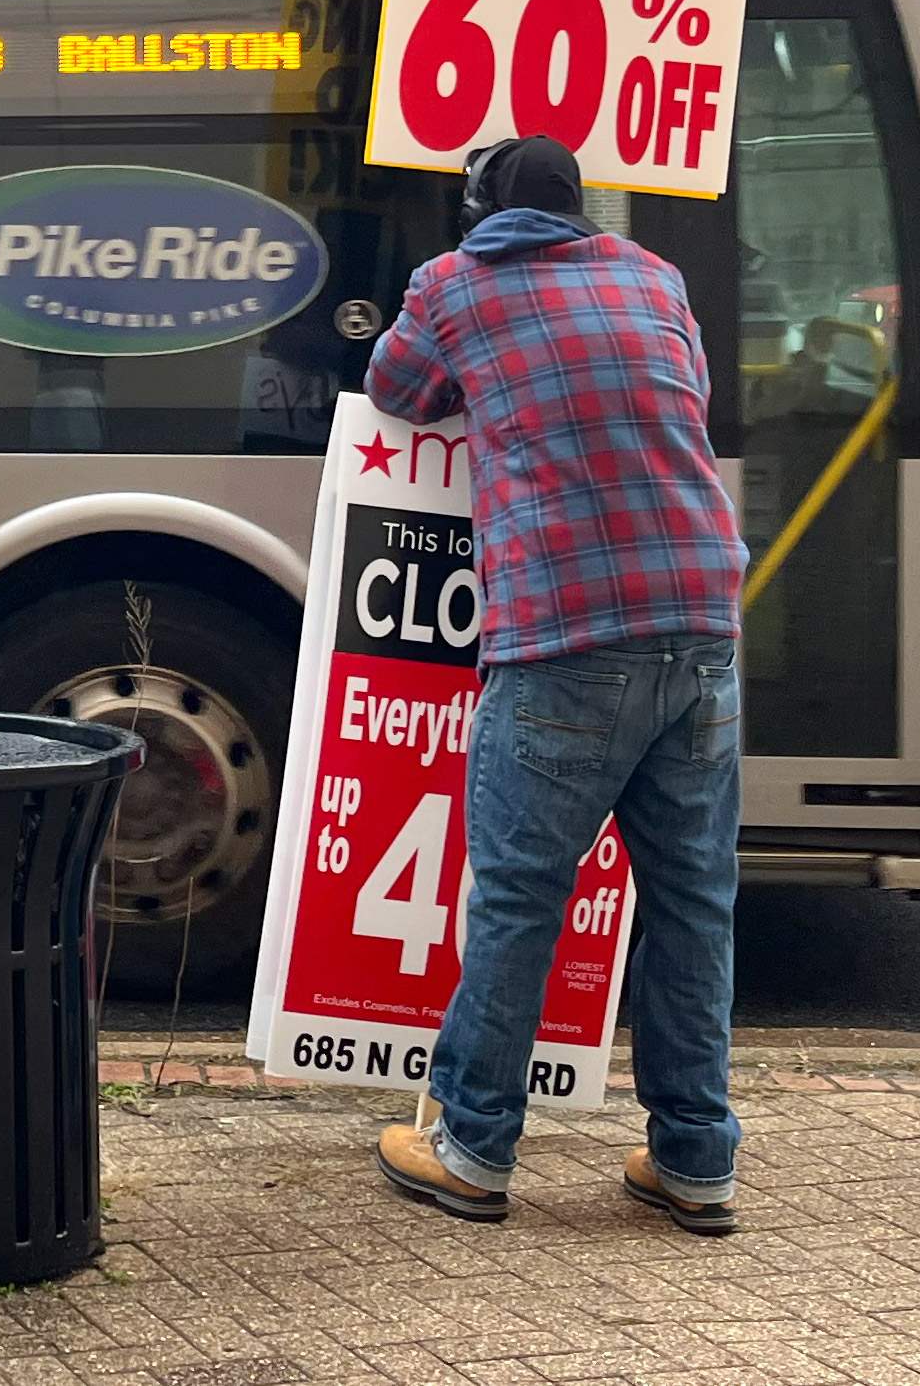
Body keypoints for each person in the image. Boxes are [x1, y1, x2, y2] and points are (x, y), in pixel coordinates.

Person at [362, 134, 748, 1234]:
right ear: (580, 207)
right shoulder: (654, 275)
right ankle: (695, 1160)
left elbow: (395, 391)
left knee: (522, 895)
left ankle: (472, 1145)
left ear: (477, 211)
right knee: (691, 900)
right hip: (700, 614)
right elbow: (684, 395)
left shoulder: (453, 283)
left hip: (565, 631)